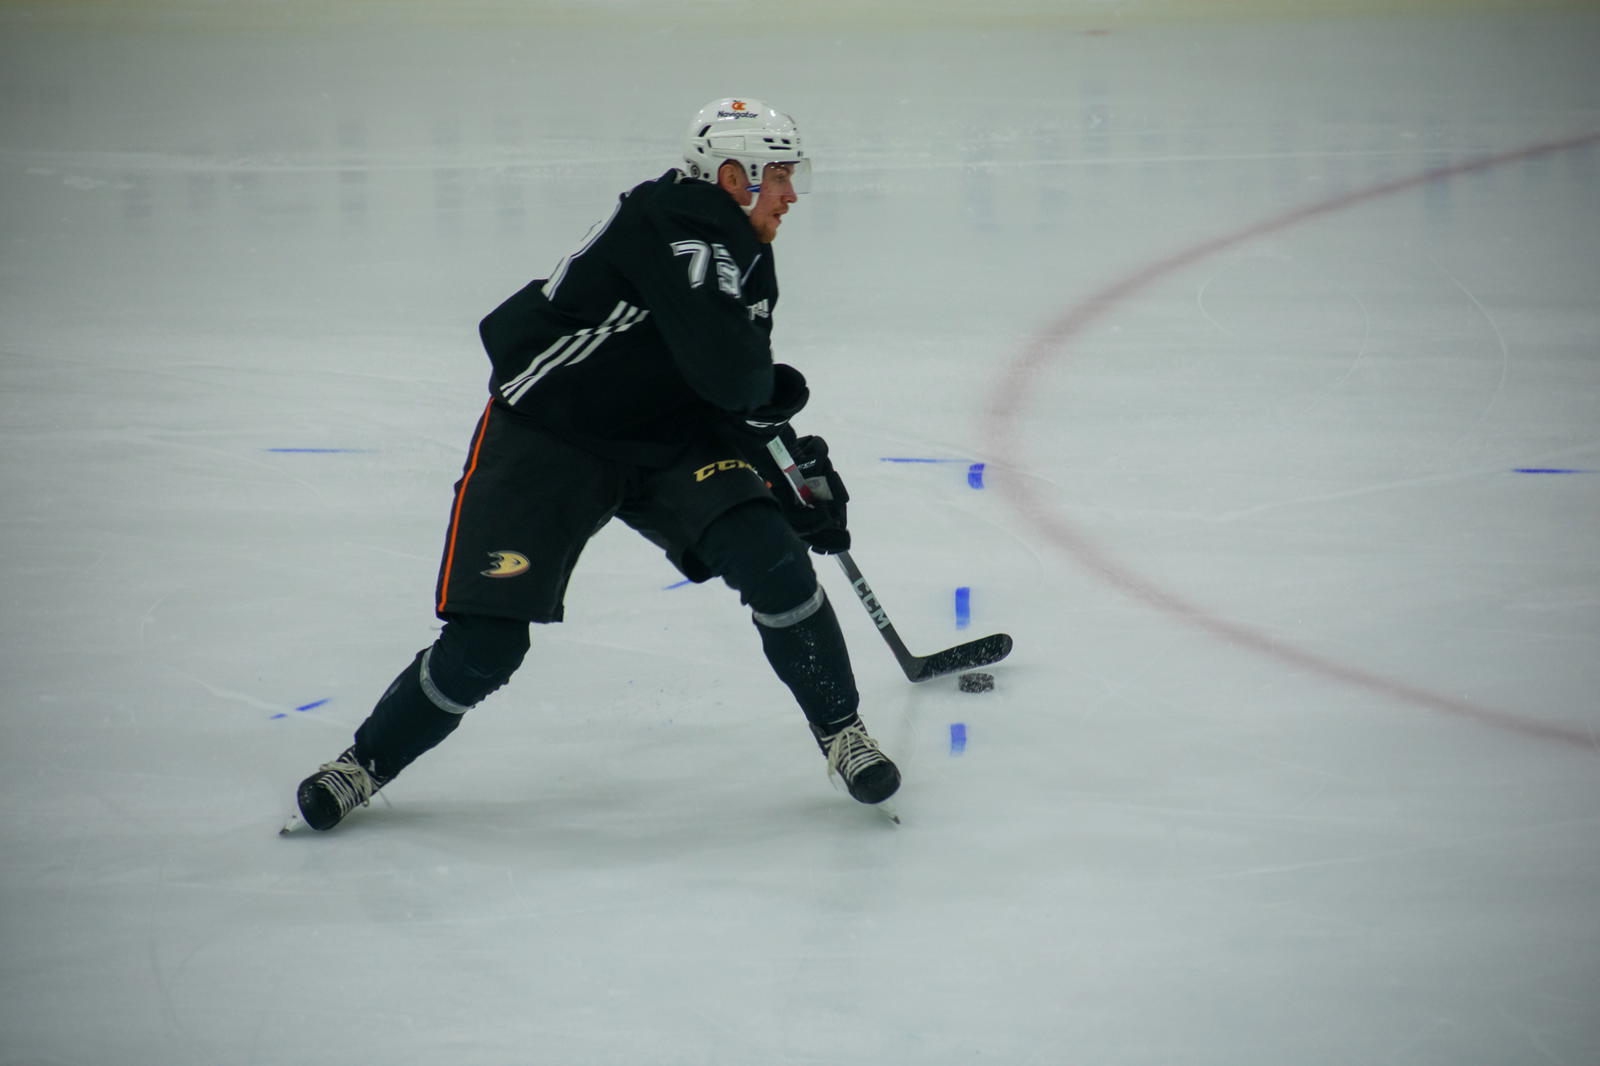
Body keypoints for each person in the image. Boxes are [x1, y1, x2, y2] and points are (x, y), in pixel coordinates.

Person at [290, 98, 900, 831]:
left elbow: (719, 385)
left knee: (772, 556)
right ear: (732, 176)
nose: (791, 194)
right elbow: (738, 381)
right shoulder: (680, 230)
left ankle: (842, 733)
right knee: (486, 645)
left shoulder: (743, 251)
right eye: (778, 176)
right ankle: (365, 763)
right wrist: (772, 404)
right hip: (551, 437)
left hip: (664, 437)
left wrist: (783, 474)